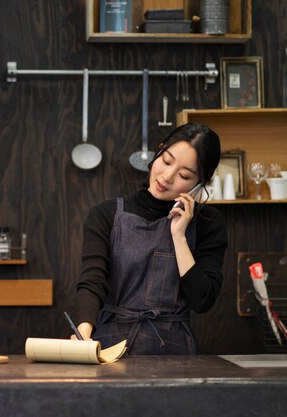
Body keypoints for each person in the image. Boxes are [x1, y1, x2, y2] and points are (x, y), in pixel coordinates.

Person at [73, 123, 227, 354]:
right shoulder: (106, 214)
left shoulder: (208, 223)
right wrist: (82, 333)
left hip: (173, 351)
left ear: (199, 183)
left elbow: (202, 300)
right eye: (166, 161)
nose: (167, 177)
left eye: (184, 175)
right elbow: (92, 281)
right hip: (108, 345)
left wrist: (179, 236)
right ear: (159, 150)